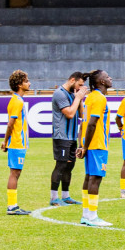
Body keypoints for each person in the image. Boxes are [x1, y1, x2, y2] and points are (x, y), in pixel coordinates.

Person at [76, 69, 114, 228]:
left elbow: (82, 124)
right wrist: (84, 146)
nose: (110, 78)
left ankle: (86, 215)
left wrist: (82, 145)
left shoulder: (89, 98)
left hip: (89, 144)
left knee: (88, 177)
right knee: (95, 179)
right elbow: (91, 123)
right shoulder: (99, 98)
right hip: (97, 144)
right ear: (102, 82)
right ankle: (92, 216)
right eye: (107, 76)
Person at [49, 71, 86, 207]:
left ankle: (66, 196)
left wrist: (80, 98)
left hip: (71, 136)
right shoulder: (59, 93)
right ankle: (54, 198)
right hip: (62, 136)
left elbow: (81, 114)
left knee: (69, 166)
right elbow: (70, 114)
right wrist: (77, 98)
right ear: (72, 80)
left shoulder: (73, 94)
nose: (80, 88)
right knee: (61, 165)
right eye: (79, 84)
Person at [2, 70, 31, 216]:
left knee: (16, 173)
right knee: (14, 173)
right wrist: (6, 141)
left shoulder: (17, 100)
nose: (29, 83)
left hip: (18, 143)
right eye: (26, 81)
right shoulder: (17, 101)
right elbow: (10, 124)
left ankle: (13, 205)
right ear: (20, 84)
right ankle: (12, 206)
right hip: (17, 143)